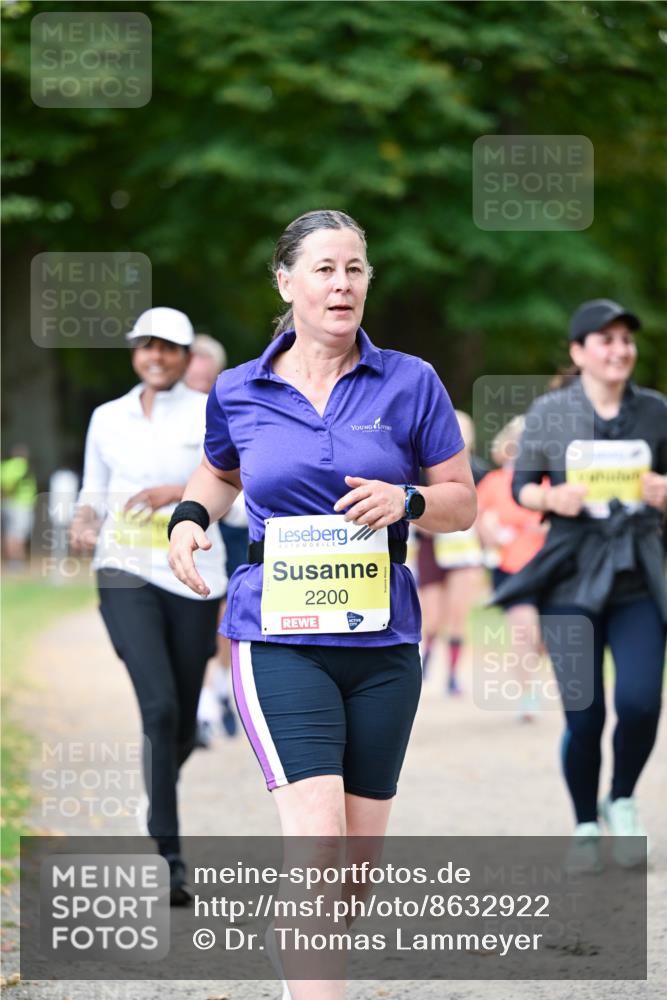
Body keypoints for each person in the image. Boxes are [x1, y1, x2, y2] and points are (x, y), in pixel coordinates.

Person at [168, 209, 476, 999]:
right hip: (277, 637)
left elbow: (461, 501)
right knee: (318, 848)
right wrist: (189, 518)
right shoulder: (240, 388)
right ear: (286, 282)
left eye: (354, 269)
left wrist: (408, 499)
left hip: (382, 645)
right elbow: (220, 472)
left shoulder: (411, 381)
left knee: (354, 877)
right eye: (324, 269)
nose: (342, 284)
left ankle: (296, 955)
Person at [494, 299, 667, 869]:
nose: (620, 350)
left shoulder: (656, 412)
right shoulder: (550, 412)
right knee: (584, 715)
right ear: (578, 351)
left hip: (639, 576)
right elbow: (521, 487)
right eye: (606, 340)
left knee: (641, 703)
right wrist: (553, 497)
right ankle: (586, 822)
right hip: (570, 579)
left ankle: (622, 798)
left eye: (626, 340)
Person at [70, 307, 226, 904]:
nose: (155, 356)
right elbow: (92, 492)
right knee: (158, 708)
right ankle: (169, 857)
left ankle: (155, 792)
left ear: (186, 356)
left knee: (181, 724)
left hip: (193, 576)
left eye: (168, 348)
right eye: (146, 346)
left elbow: (237, 496)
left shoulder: (214, 412)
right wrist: (84, 522)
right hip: (124, 572)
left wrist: (178, 493)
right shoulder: (107, 417)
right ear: (136, 353)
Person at [185, 334, 246, 744]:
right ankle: (206, 699)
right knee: (202, 607)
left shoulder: (233, 405)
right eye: (194, 380)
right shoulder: (174, 415)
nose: (199, 388)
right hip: (196, 518)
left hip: (235, 521)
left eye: (206, 380)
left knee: (227, 612)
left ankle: (220, 685)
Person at [476, 416, 547, 720]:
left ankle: (530, 667)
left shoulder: (547, 481)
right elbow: (477, 518)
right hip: (509, 567)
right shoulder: (494, 481)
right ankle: (528, 694)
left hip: (546, 568)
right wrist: (488, 531)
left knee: (542, 637)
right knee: (522, 630)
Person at [416, 411, 490, 693]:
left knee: (458, 615)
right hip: (431, 546)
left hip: (465, 551)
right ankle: (425, 660)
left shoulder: (480, 472)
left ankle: (453, 675)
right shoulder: (422, 468)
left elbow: (486, 510)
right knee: (432, 617)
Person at [1, 444, 37, 567]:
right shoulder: (21, 466)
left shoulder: (5, 466)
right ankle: (16, 561)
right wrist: (8, 493)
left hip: (8, 504)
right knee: (18, 534)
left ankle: (12, 561)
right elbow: (9, 484)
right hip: (19, 505)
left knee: (10, 533)